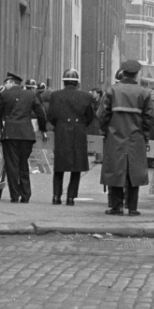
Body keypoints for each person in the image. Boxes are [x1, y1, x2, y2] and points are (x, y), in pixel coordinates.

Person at [96, 59, 154, 216]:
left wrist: (105, 131)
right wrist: (144, 132)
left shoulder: (112, 91)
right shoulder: (144, 93)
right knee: (134, 172)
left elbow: (102, 115)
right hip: (136, 138)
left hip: (115, 137)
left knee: (115, 170)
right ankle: (133, 207)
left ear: (122, 72)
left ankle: (116, 207)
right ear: (136, 73)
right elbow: (149, 117)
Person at [0, 71, 48, 204]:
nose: (5, 85)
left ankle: (15, 195)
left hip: (10, 134)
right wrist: (43, 129)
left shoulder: (4, 94)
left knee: (11, 165)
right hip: (26, 134)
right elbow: (41, 114)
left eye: (6, 82)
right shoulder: (30, 95)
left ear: (13, 83)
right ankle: (26, 195)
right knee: (23, 163)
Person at [46, 68, 93, 206]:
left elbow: (51, 115)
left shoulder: (56, 95)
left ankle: (56, 196)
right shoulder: (85, 96)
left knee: (59, 167)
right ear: (77, 83)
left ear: (64, 82)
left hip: (62, 131)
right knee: (76, 166)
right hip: (78, 132)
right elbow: (90, 117)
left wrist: (60, 124)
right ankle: (71, 198)